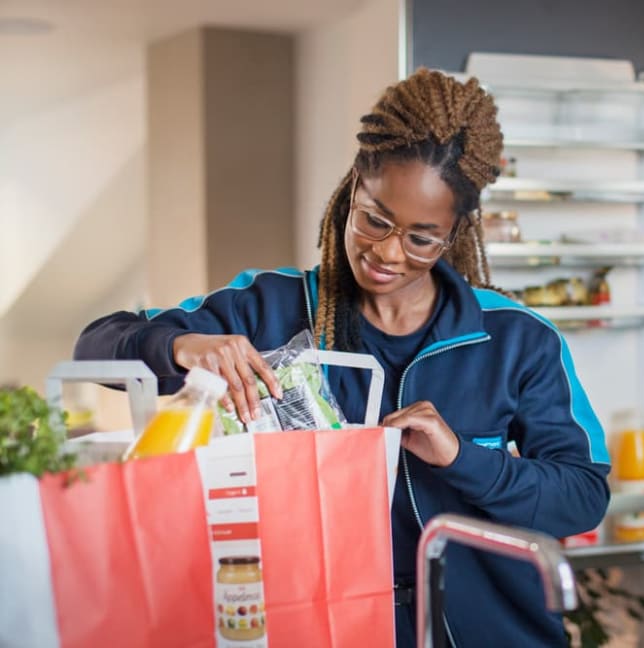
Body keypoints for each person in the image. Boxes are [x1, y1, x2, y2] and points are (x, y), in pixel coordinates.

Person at [75, 68, 610, 647]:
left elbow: (582, 497)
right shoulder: (270, 308)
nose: (385, 252)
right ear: (354, 186)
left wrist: (461, 458)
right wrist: (180, 346)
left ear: (455, 232)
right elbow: (95, 347)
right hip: (320, 629)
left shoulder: (515, 338)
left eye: (420, 238)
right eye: (374, 218)